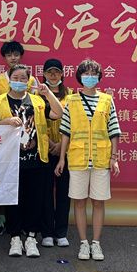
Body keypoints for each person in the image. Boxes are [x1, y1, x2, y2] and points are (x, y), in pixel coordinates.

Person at [0, 64, 64, 258]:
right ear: (9, 79)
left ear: (29, 81)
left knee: (35, 201)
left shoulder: (37, 101)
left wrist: (48, 94)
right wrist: (5, 122)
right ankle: (14, 238)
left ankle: (31, 238)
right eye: (16, 77)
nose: (19, 81)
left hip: (37, 160)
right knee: (13, 201)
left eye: (23, 78)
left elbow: (58, 113)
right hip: (10, 162)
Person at [54, 59, 122, 261]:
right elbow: (65, 131)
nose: (90, 77)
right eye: (86, 74)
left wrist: (114, 158)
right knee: (79, 202)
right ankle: (84, 243)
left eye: (93, 74)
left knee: (99, 202)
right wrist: (61, 159)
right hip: (77, 158)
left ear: (99, 77)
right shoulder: (72, 100)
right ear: (79, 77)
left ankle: (96, 243)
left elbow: (114, 130)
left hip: (101, 159)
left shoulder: (107, 100)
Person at [0, 40, 32, 237]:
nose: (13, 58)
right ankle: (1, 219)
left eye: (16, 54)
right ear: (4, 58)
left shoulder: (30, 79)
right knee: (2, 180)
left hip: (25, 138)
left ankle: (22, 222)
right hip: (2, 138)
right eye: (9, 55)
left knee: (23, 184)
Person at [40, 59, 73, 248]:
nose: (53, 75)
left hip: (65, 150)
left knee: (63, 193)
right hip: (44, 150)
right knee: (45, 193)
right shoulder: (37, 95)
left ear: (62, 74)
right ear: (44, 74)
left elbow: (75, 123)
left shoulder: (71, 95)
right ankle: (46, 232)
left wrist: (61, 144)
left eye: (57, 72)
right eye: (49, 72)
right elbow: (35, 123)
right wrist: (49, 143)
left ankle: (61, 232)